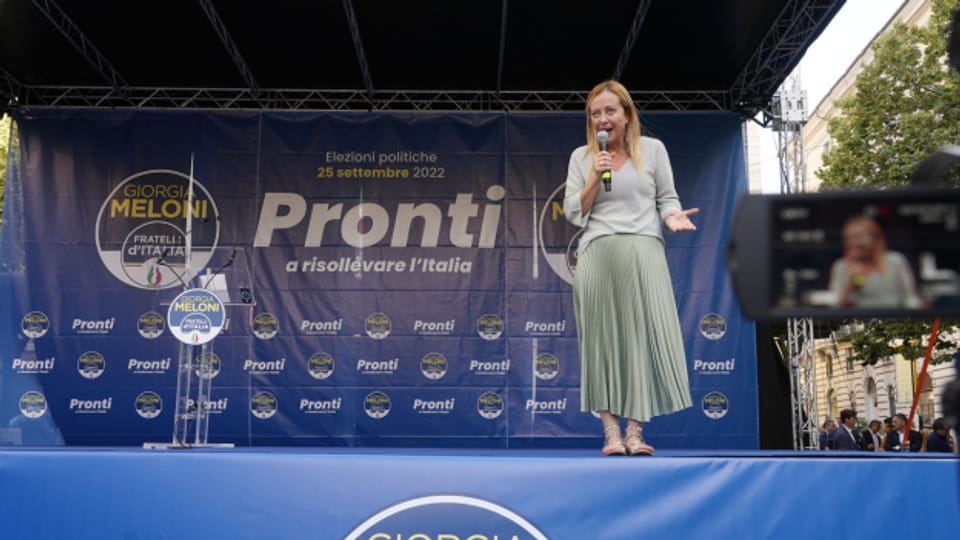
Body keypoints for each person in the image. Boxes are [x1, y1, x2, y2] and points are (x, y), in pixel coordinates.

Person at [563, 80, 698, 456]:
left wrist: (671, 217)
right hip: (597, 254)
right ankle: (611, 432)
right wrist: (595, 175)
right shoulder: (582, 157)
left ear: (627, 114)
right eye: (595, 113)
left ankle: (635, 432)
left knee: (641, 341)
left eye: (610, 111)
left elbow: (667, 198)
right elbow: (574, 212)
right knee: (600, 344)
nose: (602, 119)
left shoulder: (652, 150)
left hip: (643, 252)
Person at [827, 216, 925, 309]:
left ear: (875, 238)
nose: (853, 243)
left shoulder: (895, 261)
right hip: (857, 319)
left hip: (891, 316)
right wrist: (849, 287)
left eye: (858, 237)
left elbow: (910, 298)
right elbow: (835, 304)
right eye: (848, 238)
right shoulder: (841, 266)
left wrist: (921, 311)